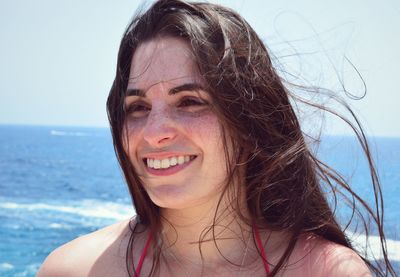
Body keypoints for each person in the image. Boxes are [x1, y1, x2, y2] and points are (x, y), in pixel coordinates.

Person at [37, 0, 395, 276]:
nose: (154, 132)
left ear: (247, 121)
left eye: (190, 101)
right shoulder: (73, 269)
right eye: (138, 107)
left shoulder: (326, 272)